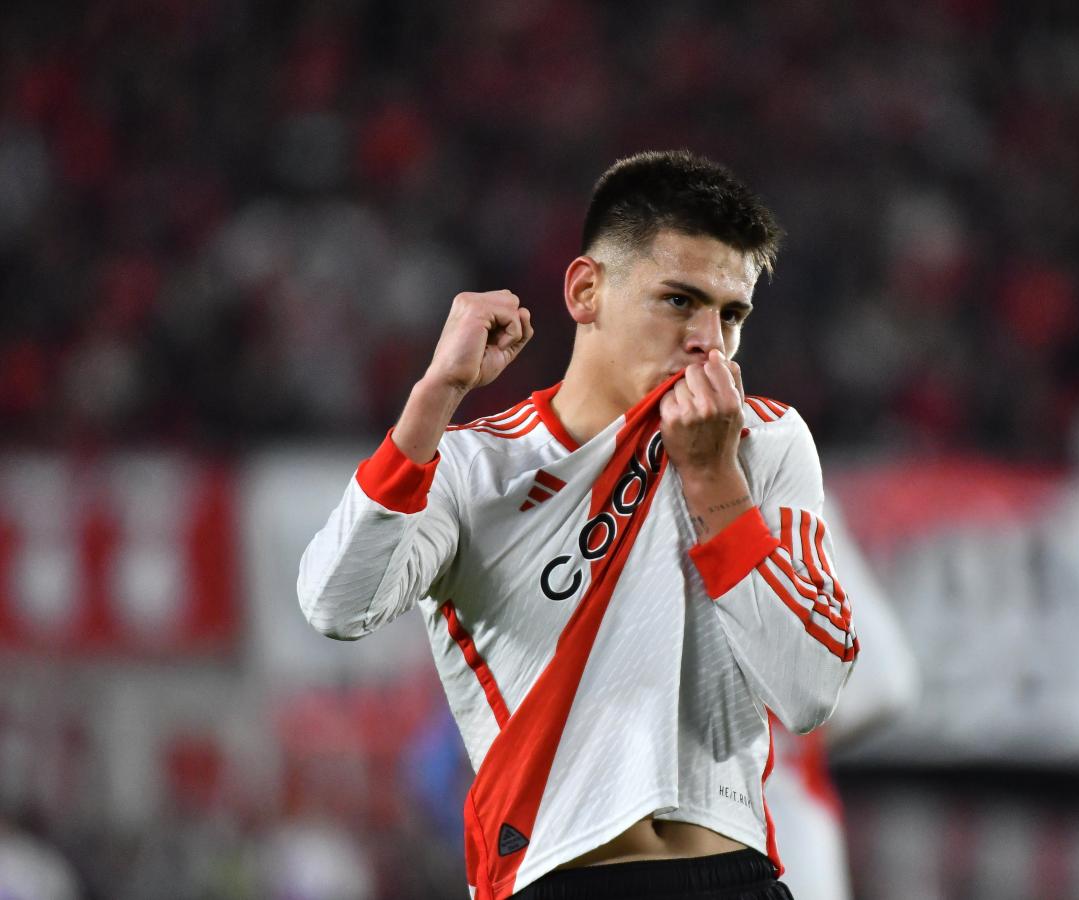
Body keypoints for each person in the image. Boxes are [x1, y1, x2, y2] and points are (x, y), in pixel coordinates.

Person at [298, 150, 858, 899]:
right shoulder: (473, 467)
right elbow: (336, 605)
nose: (710, 341)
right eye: (680, 301)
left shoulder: (764, 441)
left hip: (737, 874)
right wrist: (435, 395)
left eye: (732, 314)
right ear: (586, 290)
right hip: (559, 877)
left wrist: (713, 481)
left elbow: (810, 689)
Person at [767, 492, 920, 900]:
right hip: (796, 840)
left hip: (757, 832)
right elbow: (886, 681)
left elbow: (887, 682)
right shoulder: (792, 491)